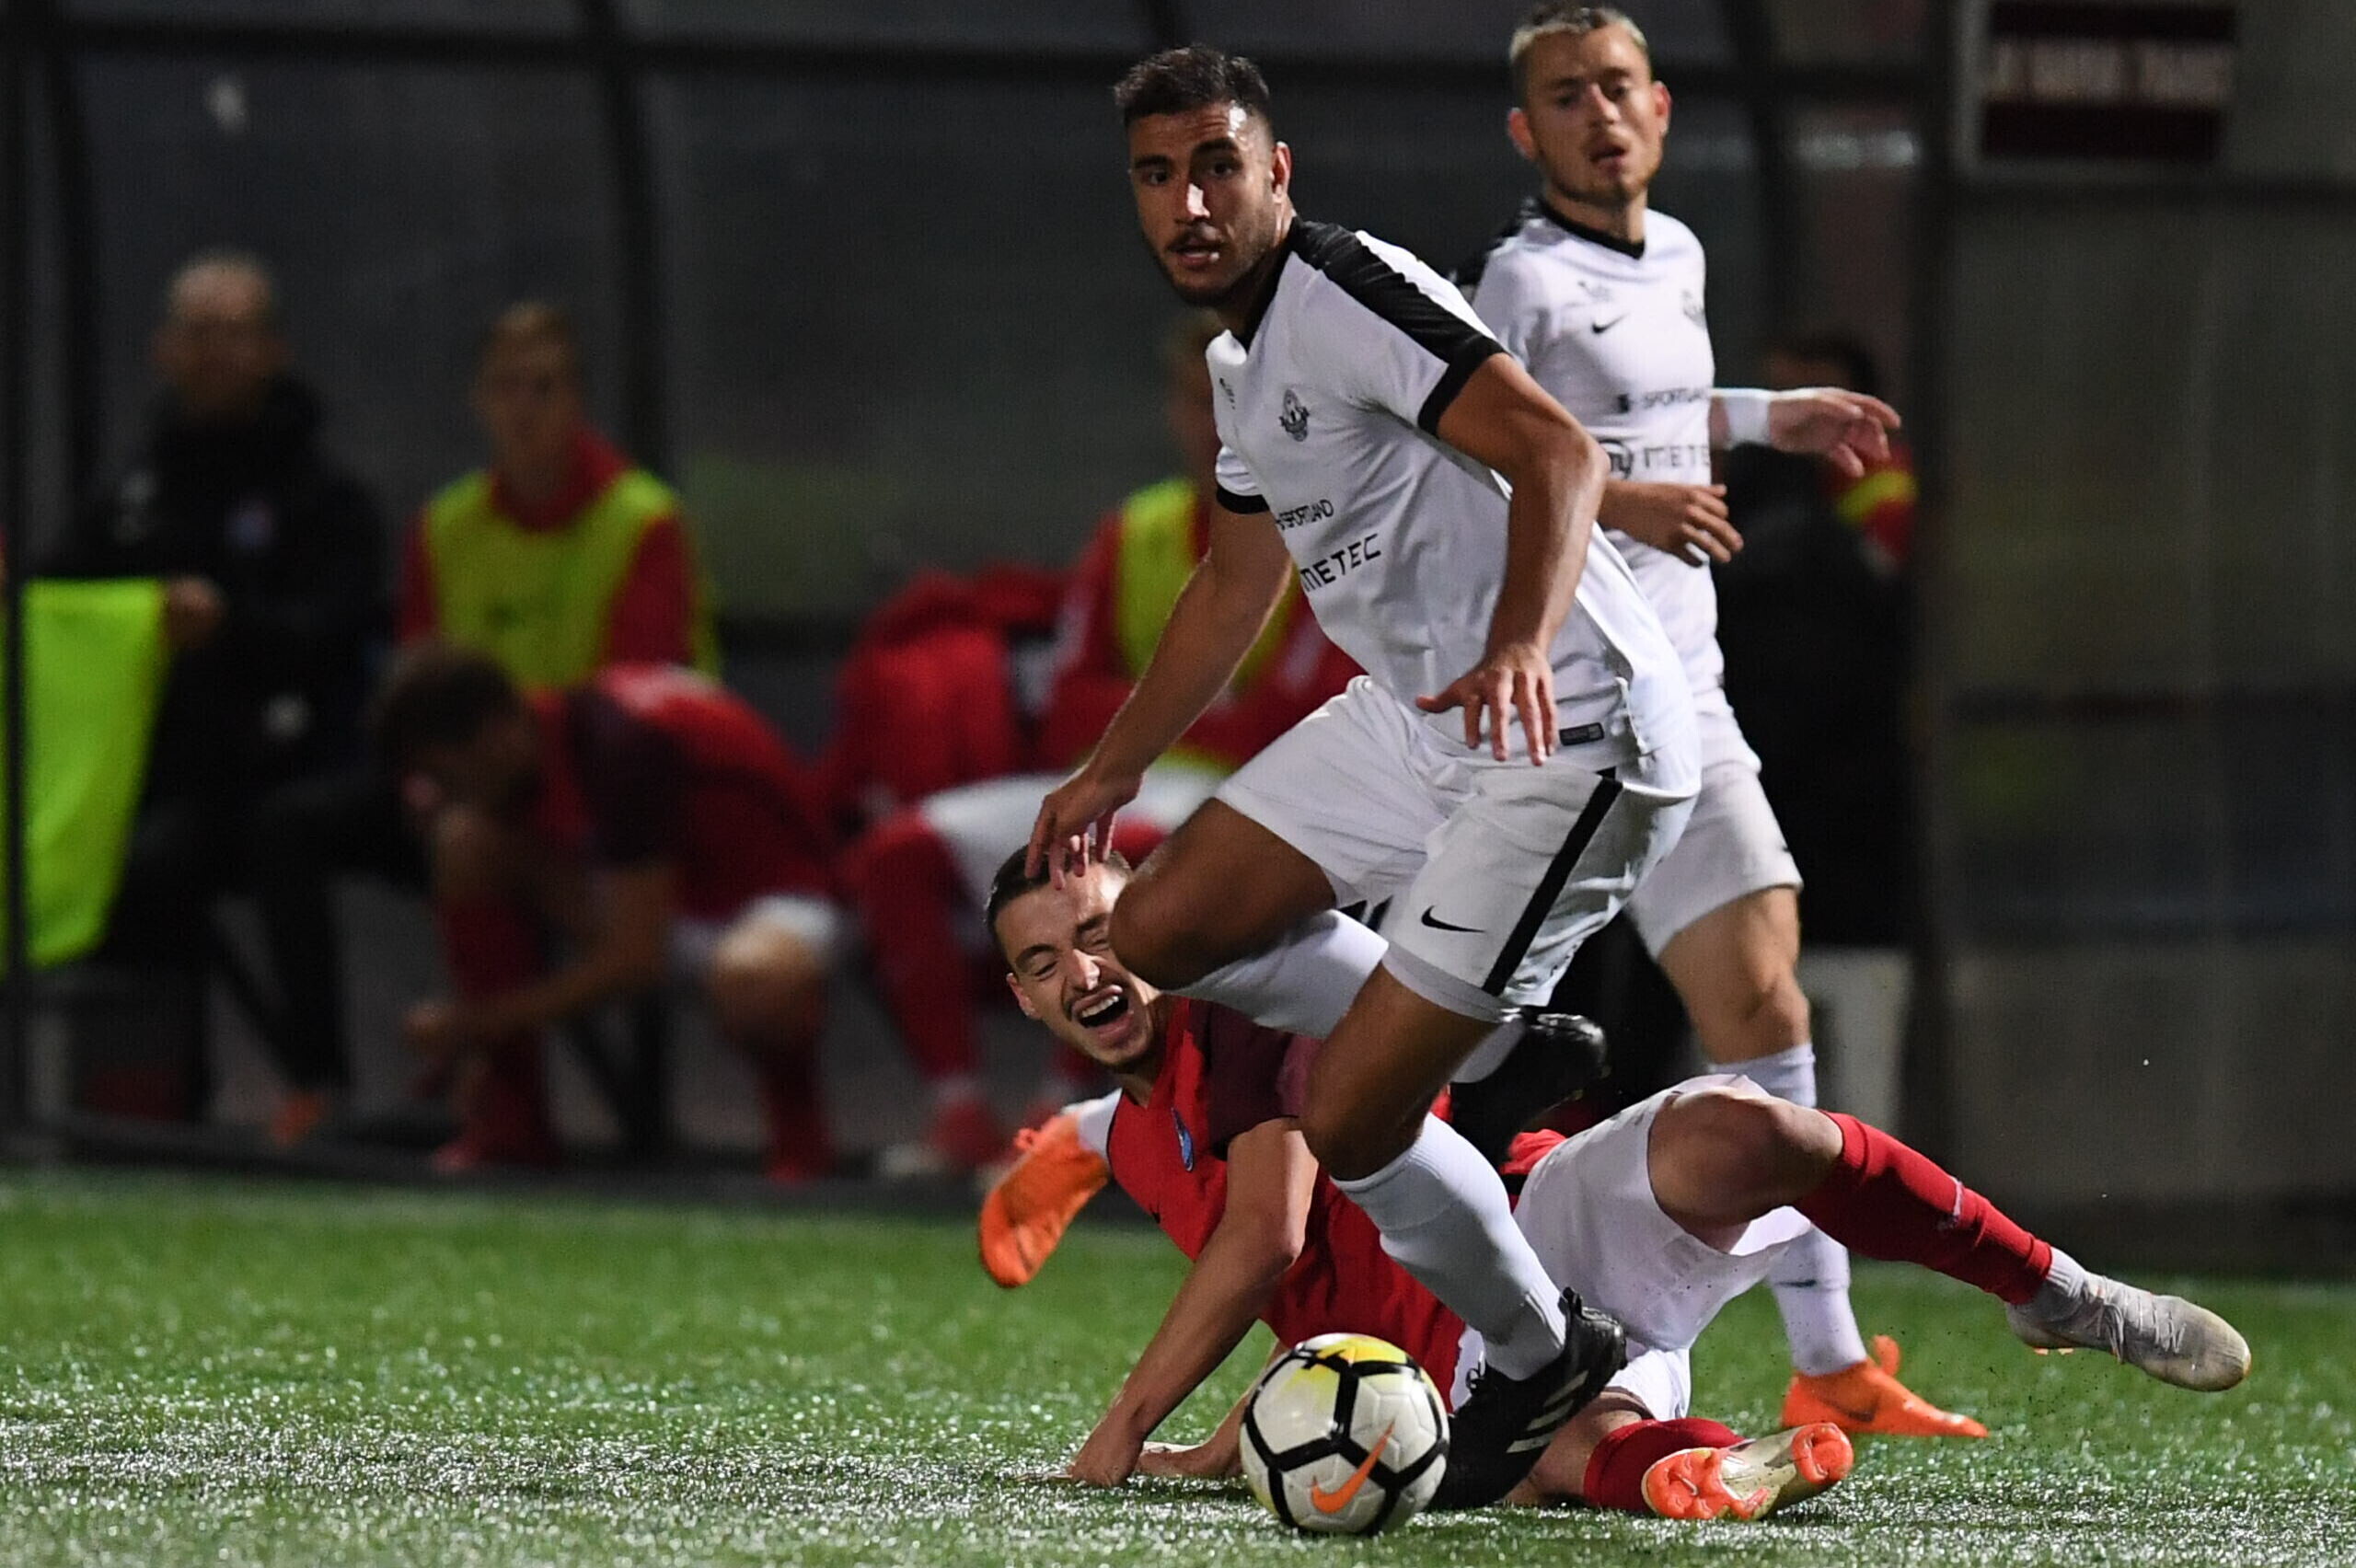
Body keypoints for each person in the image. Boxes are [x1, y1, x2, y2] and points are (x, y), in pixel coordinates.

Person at [1026, 45, 1700, 1505]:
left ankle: (1539, 1350)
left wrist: (1521, 643)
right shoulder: (1241, 362)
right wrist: (1106, 771)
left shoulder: (1339, 288)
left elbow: (1560, 453)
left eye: (1218, 166)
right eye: (1157, 175)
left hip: (1567, 729)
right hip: (1417, 721)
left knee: (1347, 1121)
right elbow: (1237, 582)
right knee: (1158, 928)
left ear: (1278, 173)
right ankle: (1490, 1055)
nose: (1189, 203)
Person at [985, 855, 2250, 1515]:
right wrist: (1230, 1446)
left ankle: (2060, 1293)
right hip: (1460, 1380)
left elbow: (1265, 1236)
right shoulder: (1136, 1133)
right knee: (1581, 1456)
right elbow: (1274, 1265)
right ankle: (1714, 1464)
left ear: (1152, 921)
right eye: (1044, 964)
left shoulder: (1246, 1014)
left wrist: (1123, 1434)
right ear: (1021, 997)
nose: (1083, 974)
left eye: (1098, 934)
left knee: (1740, 1131)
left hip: (1535, 1228)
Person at [1457, 6, 1969, 1436]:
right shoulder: (1519, 281)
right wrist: (1623, 505)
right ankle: (1380, 1304)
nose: (1599, 114)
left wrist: (1763, 414)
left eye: (1617, 86)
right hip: (1572, 717)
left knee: (1766, 1013)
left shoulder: (1675, 252)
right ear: (1527, 131)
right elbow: (1464, 459)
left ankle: (1830, 1359)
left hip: (1691, 698)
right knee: (1456, 1047)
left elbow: (1652, 407)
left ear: (1662, 107)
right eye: (1566, 96)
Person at [844, 315, 1356, 1174]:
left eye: (1236, 401)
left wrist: (1155, 706)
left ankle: (1075, 1119)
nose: (1216, 424)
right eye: (1198, 401)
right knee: (900, 853)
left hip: (1251, 800)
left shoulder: (1332, 530)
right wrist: (1195, 709)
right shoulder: (1138, 530)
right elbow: (1068, 705)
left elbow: (1305, 720)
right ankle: (959, 1111)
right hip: (1121, 775)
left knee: (1122, 870)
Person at [246, 302, 720, 1145]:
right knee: (289, 825)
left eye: (544, 387)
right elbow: (413, 684)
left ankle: (502, 1096)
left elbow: (637, 705)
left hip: (600, 803)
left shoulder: (642, 520)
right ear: (478, 401)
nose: (524, 408)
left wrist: (497, 781)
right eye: (506, 388)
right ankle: (321, 1087)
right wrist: (429, 781)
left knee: (473, 841)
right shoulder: (446, 524)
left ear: (577, 399)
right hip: (468, 784)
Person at [41, 250, 386, 1115]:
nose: (214, 354)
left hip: (296, 764)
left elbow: (336, 630)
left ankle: (319, 1086)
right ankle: (152, 1096)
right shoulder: (136, 489)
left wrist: (231, 623)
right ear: (163, 350)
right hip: (168, 773)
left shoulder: (325, 496)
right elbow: (62, 590)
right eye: (196, 334)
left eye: (235, 334)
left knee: (281, 835)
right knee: (126, 865)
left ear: (274, 351)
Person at [369, 646, 837, 1176]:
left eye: (447, 775)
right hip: (674, 904)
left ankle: (800, 1137)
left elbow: (635, 960)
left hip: (783, 898)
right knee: (466, 842)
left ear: (495, 734)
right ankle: (511, 1123)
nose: (446, 794)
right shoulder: (554, 738)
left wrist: (476, 1027)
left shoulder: (624, 743)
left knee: (752, 978)